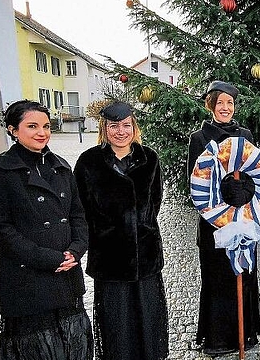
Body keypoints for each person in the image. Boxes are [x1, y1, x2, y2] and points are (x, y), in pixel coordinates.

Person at [0, 99, 93, 360]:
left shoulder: (61, 166)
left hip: (66, 278)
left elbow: (78, 215)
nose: (42, 132)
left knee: (73, 348)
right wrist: (48, 258)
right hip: (27, 281)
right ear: (13, 130)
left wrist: (76, 251)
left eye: (46, 126)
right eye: (32, 126)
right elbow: (0, 230)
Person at [74, 101, 169, 359]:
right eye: (114, 126)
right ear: (105, 128)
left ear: (134, 127)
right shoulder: (88, 162)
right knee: (116, 320)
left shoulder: (149, 159)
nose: (120, 131)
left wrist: (142, 226)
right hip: (110, 256)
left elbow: (155, 200)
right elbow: (81, 208)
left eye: (126, 125)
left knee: (147, 316)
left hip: (145, 254)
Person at [187, 80, 260, 355]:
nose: (225, 108)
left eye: (229, 103)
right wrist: (222, 196)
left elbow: (256, 172)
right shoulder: (199, 138)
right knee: (218, 277)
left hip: (243, 218)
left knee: (243, 273)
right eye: (220, 103)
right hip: (214, 222)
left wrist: (243, 191)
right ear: (211, 106)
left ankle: (246, 333)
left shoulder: (245, 135)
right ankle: (218, 338)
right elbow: (195, 182)